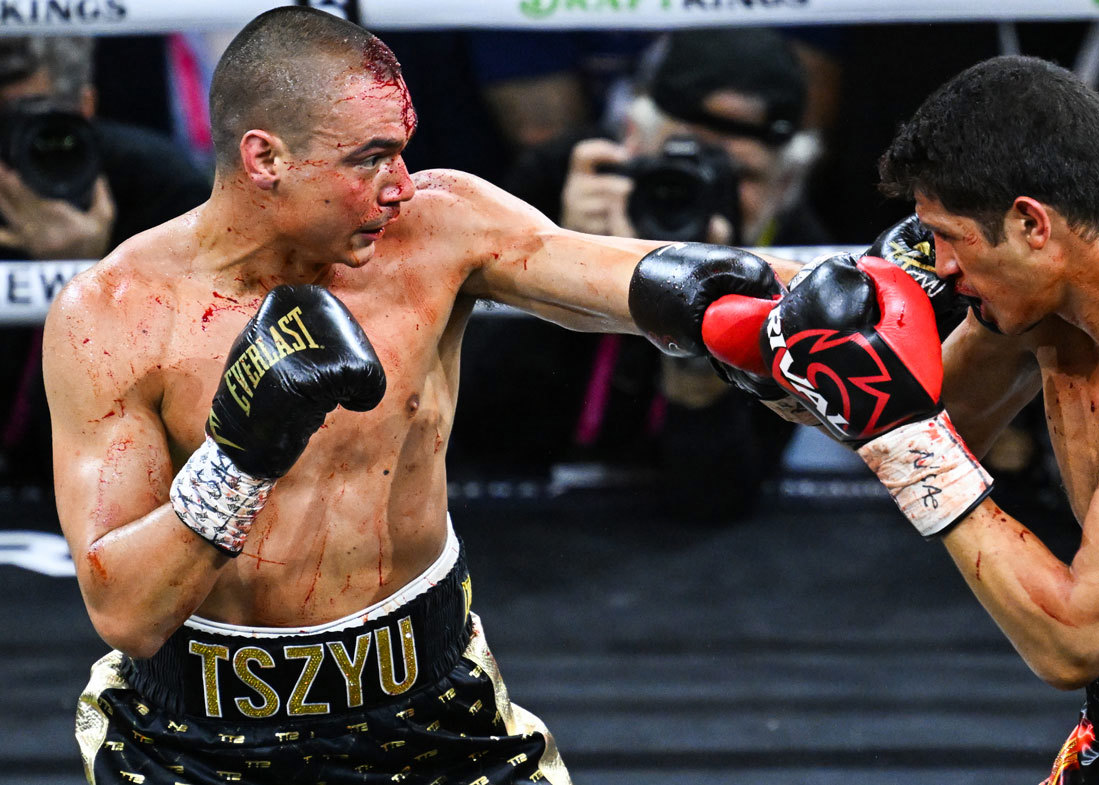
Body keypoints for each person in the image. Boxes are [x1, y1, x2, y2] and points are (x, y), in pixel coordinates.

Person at [45, 8, 798, 783]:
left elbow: (622, 279)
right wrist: (238, 459)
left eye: (402, 152)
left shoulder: (437, 229)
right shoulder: (116, 315)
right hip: (197, 733)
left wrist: (823, 297)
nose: (401, 185)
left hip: (435, 703)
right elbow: (127, 615)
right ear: (266, 157)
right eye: (371, 159)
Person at [640, 55, 1099, 783]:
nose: (935, 265)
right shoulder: (1048, 293)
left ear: (1033, 224)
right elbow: (920, 414)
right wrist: (743, 338)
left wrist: (906, 436)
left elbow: (1071, 639)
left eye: (947, 238)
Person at [461, 27, 830, 519]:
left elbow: (718, 501)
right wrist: (563, 266)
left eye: (738, 177)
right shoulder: (559, 185)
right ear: (632, 138)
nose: (702, 192)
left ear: (786, 184)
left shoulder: (795, 258)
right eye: (678, 165)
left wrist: (703, 353)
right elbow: (474, 431)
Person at [0, 35, 209, 486]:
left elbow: (181, 436)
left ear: (86, 105)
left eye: (36, 123)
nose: (12, 146)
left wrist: (90, 274)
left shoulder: (168, 193)